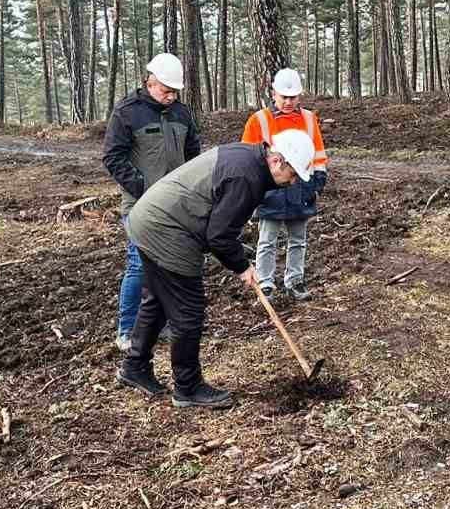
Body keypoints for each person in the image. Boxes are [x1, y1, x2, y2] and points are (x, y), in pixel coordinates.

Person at [118, 130, 316, 409]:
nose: (293, 182)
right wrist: (242, 266)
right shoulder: (246, 177)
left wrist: (239, 260)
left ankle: (134, 366)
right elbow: (219, 236)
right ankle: (187, 388)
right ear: (277, 161)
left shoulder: (249, 160)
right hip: (166, 228)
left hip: (149, 219)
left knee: (158, 301)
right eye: (293, 174)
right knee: (188, 309)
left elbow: (219, 226)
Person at [102, 54, 201, 352]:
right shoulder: (127, 112)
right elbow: (113, 158)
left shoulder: (182, 114)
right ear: (151, 82)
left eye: (175, 92)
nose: (171, 97)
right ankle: (127, 329)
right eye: (166, 91)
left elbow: (193, 155)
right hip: (140, 206)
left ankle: (165, 323)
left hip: (176, 206)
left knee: (170, 265)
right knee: (139, 266)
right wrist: (142, 188)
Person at [241, 68, 329, 302]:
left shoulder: (309, 119)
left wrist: (319, 176)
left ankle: (295, 281)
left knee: (298, 239)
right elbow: (247, 156)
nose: (289, 102)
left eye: (293, 97)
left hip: (300, 186)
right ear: (273, 93)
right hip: (270, 188)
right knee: (267, 239)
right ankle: (266, 284)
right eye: (284, 97)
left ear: (300, 95)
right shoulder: (258, 120)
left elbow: (318, 151)